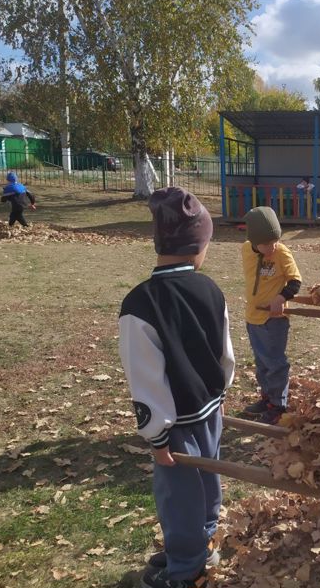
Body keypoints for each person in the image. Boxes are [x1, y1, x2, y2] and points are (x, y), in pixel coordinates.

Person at [118, 187, 235, 588]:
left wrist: (156, 434)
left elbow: (145, 376)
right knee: (206, 483)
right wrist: (221, 396)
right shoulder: (211, 291)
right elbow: (226, 356)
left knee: (179, 497)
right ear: (197, 246)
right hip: (204, 414)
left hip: (177, 423)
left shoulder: (139, 303)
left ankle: (186, 568)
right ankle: (198, 545)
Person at [241, 206, 302, 425]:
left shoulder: (281, 252)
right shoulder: (246, 250)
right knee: (261, 363)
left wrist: (281, 298)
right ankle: (267, 398)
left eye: (275, 240)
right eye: (266, 243)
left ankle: (278, 405)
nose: (272, 246)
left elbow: (295, 280)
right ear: (254, 242)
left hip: (273, 320)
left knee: (275, 363)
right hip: (253, 317)